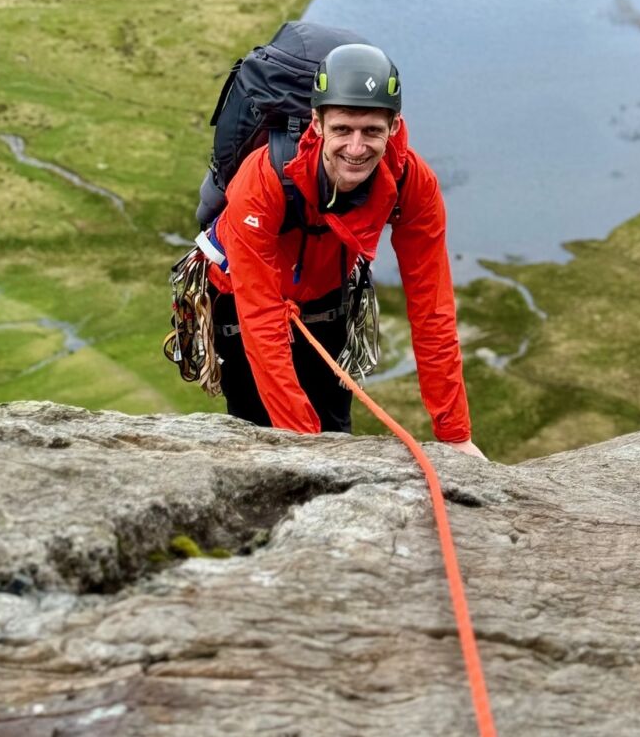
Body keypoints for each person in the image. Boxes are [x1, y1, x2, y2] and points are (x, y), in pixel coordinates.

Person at [205, 42, 484, 457]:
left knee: (337, 432)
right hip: (238, 303)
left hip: (328, 299)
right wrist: (305, 447)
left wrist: (455, 433)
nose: (356, 148)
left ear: (394, 126)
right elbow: (260, 316)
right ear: (317, 124)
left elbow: (432, 307)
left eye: (372, 130)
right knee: (259, 442)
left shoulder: (412, 182)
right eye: (342, 130)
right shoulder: (263, 178)